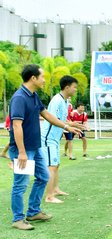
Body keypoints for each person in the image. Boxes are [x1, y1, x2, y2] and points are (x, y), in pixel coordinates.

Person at [9, 64, 81, 230]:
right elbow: (17, 126)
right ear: (33, 78)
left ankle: (33, 211)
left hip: (36, 146)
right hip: (24, 150)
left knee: (43, 177)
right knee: (20, 185)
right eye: (42, 77)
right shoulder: (19, 97)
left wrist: (66, 127)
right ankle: (18, 219)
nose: (44, 80)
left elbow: (47, 115)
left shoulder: (33, 96)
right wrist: (21, 152)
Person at [41, 76, 82, 204]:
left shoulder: (65, 101)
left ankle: (55, 189)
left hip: (55, 138)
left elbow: (60, 119)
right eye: (74, 87)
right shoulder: (57, 100)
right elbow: (52, 118)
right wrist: (67, 127)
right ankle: (49, 196)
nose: (75, 90)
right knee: (51, 167)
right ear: (67, 87)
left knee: (56, 165)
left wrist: (72, 124)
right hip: (48, 138)